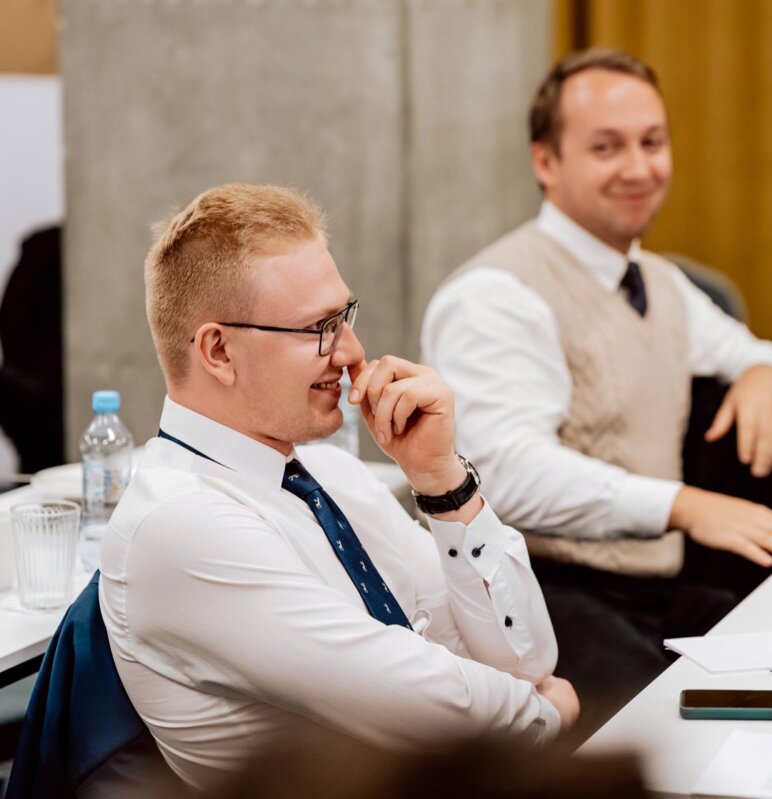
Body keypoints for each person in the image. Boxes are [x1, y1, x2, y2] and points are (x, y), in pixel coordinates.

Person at [98, 182, 578, 792]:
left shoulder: (331, 474)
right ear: (218, 350)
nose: (351, 351)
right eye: (318, 328)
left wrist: (441, 482)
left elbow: (527, 658)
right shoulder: (181, 525)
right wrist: (547, 719)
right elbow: (433, 713)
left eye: (344, 315)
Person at [421, 48, 772, 734]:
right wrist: (684, 505)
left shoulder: (661, 280)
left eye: (652, 142)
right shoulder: (496, 295)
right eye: (607, 147)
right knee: (671, 746)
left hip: (657, 588)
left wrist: (763, 375)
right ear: (546, 163)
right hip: (546, 600)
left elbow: (765, 357)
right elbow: (505, 474)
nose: (639, 168)